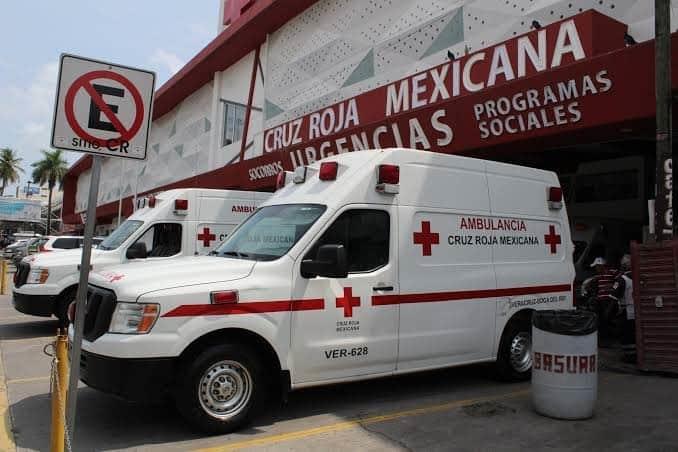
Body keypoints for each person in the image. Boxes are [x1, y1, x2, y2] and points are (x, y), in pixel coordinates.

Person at [612, 254, 635, 362]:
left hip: (625, 310)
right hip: (637, 311)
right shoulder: (638, 276)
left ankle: (628, 356)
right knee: (633, 332)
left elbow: (614, 296)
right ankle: (634, 354)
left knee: (626, 333)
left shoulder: (622, 279)